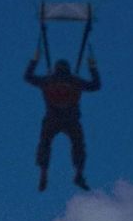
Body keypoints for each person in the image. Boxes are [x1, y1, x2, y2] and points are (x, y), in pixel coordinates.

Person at [25, 49, 101, 192]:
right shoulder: (74, 81)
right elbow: (95, 85)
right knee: (78, 145)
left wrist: (34, 60)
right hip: (71, 120)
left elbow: (28, 77)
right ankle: (78, 173)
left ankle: (43, 171)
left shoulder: (48, 80)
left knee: (45, 143)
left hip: (52, 118)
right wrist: (92, 67)